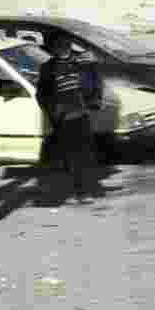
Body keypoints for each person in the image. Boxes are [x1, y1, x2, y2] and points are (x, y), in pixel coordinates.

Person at [36, 35, 104, 202]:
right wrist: (53, 112)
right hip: (64, 117)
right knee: (73, 156)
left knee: (85, 155)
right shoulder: (48, 68)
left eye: (63, 46)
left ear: (68, 47)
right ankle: (81, 191)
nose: (61, 49)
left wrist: (94, 101)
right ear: (53, 50)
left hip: (81, 113)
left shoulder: (84, 64)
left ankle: (86, 190)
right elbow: (42, 94)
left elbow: (96, 83)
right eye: (57, 47)